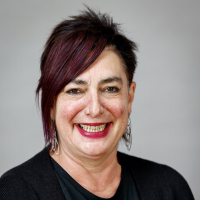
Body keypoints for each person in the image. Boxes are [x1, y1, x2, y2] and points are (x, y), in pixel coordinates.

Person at [0, 7, 194, 200]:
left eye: (110, 89)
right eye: (75, 90)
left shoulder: (169, 188)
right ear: (51, 103)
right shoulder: (14, 193)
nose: (94, 109)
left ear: (129, 97)